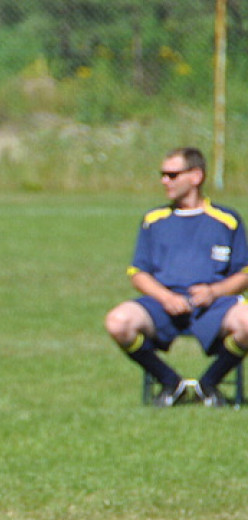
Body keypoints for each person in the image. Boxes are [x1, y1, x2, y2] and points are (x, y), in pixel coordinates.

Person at [105, 147, 248, 407]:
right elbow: (138, 273)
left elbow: (244, 274)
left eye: (172, 175)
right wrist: (165, 297)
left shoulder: (227, 220)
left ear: (195, 176)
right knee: (117, 322)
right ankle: (171, 382)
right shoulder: (153, 220)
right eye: (162, 175)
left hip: (214, 305)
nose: (164, 181)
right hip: (163, 304)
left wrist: (214, 292)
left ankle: (209, 383)